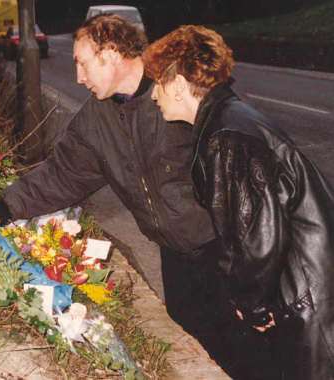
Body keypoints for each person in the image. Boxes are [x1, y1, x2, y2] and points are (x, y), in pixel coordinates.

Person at [0, 15, 276, 378]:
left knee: (255, 350)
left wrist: (255, 269)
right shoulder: (97, 119)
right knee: (202, 342)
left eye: (82, 62)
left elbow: (243, 170)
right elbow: (61, 174)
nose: (79, 77)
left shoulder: (177, 92)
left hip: (227, 251)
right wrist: (2, 210)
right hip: (176, 256)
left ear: (110, 51)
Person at [143, 24, 334, 379]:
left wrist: (254, 308)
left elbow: (256, 237)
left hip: (306, 297)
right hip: (308, 285)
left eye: (159, 83)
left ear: (181, 85)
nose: (154, 96)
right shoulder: (231, 119)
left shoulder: (225, 137)